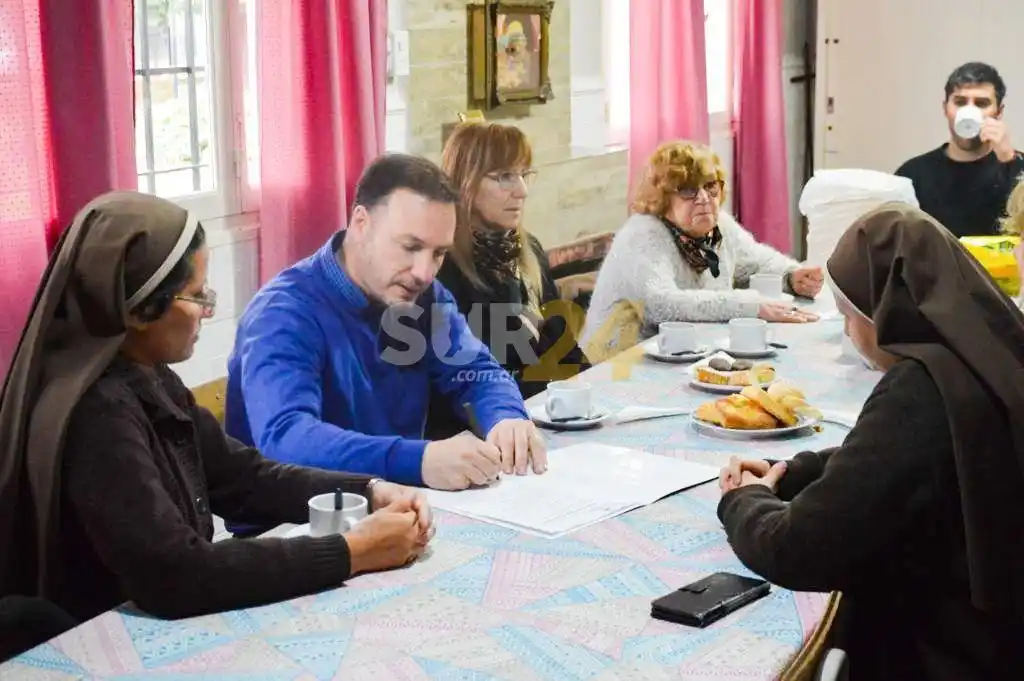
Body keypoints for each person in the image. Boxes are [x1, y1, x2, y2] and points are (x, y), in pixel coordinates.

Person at [0, 192, 434, 627]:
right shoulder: (96, 414)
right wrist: (353, 552)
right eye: (196, 295)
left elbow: (243, 478)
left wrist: (368, 490)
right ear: (137, 309)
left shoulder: (147, 375)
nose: (208, 310)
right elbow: (175, 574)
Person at [717, 203, 1024, 680]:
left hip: (940, 654)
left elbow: (798, 549)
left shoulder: (919, 391)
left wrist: (742, 501)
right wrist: (799, 471)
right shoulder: (988, 355)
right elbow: (905, 461)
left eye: (848, 315)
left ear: (885, 310)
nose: (848, 331)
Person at [225, 153, 546, 499]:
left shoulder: (424, 297)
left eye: (438, 254)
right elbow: (286, 439)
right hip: (291, 529)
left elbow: (476, 370)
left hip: (395, 504)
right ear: (361, 223)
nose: (424, 272)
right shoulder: (283, 313)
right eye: (410, 247)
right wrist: (418, 459)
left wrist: (506, 416)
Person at [581, 141, 821, 359]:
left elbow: (757, 262)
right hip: (618, 365)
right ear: (662, 198)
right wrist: (751, 305)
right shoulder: (642, 234)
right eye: (688, 190)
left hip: (685, 355)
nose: (704, 198)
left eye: (710, 186)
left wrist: (792, 276)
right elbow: (661, 305)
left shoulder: (719, 226)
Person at [426, 123, 588, 437]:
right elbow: (453, 388)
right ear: (465, 182)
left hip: (546, 418)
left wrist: (592, 394)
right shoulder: (441, 269)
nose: (522, 191)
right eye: (504, 177)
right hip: (479, 433)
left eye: (524, 175)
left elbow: (562, 351)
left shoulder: (529, 251)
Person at [895, 62, 1024, 238]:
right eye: (960, 102)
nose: (969, 111)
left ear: (999, 112)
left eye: (981, 103)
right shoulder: (913, 174)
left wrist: (1009, 160)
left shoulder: (1016, 167)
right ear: (945, 108)